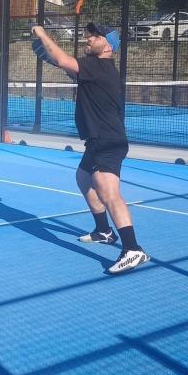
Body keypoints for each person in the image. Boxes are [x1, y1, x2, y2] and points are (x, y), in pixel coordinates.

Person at [31, 22, 149, 275]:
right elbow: (70, 69)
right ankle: (104, 231)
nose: (89, 38)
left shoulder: (100, 65)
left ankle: (132, 249)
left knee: (108, 191)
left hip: (108, 141)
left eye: (95, 36)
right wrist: (53, 58)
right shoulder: (95, 69)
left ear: (107, 45)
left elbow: (64, 61)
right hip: (96, 140)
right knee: (84, 179)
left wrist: (43, 35)